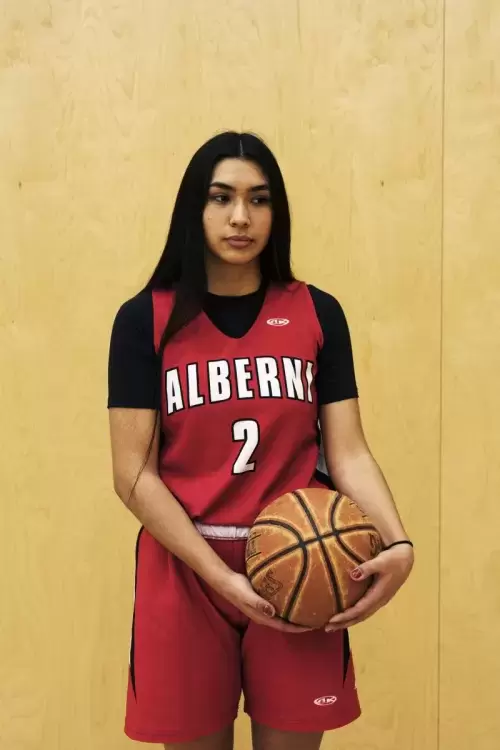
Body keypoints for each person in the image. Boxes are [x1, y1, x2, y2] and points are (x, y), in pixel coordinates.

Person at [107, 131, 414, 750]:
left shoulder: (317, 313)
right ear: (194, 209)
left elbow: (348, 452)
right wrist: (219, 578)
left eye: (259, 199)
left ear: (278, 213)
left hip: (303, 563)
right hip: (187, 571)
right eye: (221, 198)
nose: (241, 217)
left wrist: (399, 542)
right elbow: (133, 474)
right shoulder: (145, 319)